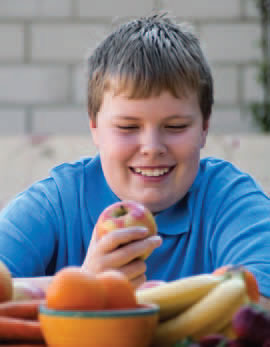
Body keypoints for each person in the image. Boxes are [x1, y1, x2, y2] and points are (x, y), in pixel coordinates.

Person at [0, 14, 270, 307]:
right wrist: (84, 283)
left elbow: (260, 305)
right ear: (94, 127)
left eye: (176, 126)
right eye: (128, 127)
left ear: (205, 127)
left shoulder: (229, 200)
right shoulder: (54, 204)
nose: (152, 148)